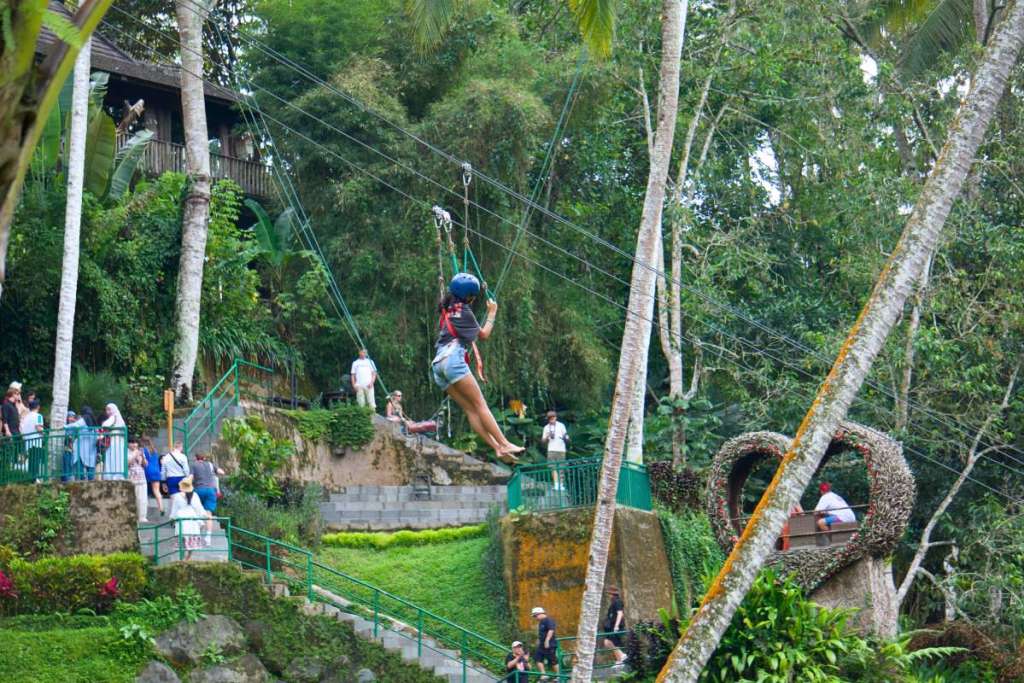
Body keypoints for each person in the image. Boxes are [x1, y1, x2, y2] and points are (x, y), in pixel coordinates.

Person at [432, 273, 524, 464]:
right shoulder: (464, 311)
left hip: (438, 365)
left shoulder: (446, 308)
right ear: (469, 297)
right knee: (480, 405)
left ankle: (498, 448)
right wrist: (492, 313)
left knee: (470, 409)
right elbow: (483, 335)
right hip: (452, 359)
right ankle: (504, 443)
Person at [169, 476, 210, 561]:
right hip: (192, 520)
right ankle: (188, 557)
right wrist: (205, 516)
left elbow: (174, 510)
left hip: (181, 520)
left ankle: (183, 558)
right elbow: (199, 508)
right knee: (192, 540)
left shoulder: (177, 496)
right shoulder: (194, 495)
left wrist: (172, 519)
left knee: (182, 539)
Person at [192, 453, 226, 544]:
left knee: (196, 511)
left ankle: (198, 532)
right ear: (204, 458)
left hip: (199, 490)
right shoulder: (210, 464)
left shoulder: (194, 465)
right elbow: (221, 472)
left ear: (196, 458)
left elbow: (190, 477)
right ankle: (208, 537)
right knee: (208, 513)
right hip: (211, 490)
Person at [541, 411, 569, 490]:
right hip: (551, 449)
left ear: (556, 417)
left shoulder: (561, 425)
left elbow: (566, 436)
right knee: (553, 467)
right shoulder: (546, 427)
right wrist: (547, 436)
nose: (551, 420)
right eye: (549, 418)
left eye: (552, 418)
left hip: (561, 449)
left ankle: (561, 484)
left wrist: (566, 438)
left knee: (561, 467)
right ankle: (556, 484)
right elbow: (543, 441)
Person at [19, 397, 45, 480]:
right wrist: (45, 433)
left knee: (31, 461)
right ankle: (35, 478)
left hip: (28, 442)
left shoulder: (26, 417)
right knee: (36, 461)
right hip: (36, 442)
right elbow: (39, 428)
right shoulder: (39, 416)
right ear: (38, 407)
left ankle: (31, 478)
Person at [602, 586, 628, 666]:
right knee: (608, 642)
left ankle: (622, 656)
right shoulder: (614, 602)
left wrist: (616, 626)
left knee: (609, 642)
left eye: (609, 594)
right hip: (611, 627)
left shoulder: (617, 602)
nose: (608, 596)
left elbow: (620, 613)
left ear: (612, 594)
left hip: (615, 627)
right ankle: (620, 659)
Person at [101, 403, 127, 480]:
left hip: (114, 440)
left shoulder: (113, 417)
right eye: (106, 410)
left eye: (109, 409)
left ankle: (111, 475)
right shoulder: (119, 418)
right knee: (118, 457)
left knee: (112, 456)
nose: (107, 412)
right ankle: (118, 474)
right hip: (119, 440)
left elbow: (105, 424)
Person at [531, 606, 558, 679]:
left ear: (540, 613)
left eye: (535, 616)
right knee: (537, 658)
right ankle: (544, 675)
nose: (535, 618)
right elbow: (541, 634)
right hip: (542, 646)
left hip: (550, 645)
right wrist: (538, 642)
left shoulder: (548, 620)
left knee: (552, 660)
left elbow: (551, 630)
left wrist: (547, 640)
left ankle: (558, 676)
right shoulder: (541, 622)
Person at [142, 437, 165, 517]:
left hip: (148, 471)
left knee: (145, 491)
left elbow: (144, 462)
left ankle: (145, 509)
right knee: (156, 491)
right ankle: (161, 508)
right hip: (156, 471)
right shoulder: (154, 450)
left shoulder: (143, 450)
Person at [127, 439, 149, 523]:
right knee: (133, 499)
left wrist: (142, 457)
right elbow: (127, 463)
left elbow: (145, 464)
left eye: (135, 443)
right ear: (128, 444)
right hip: (131, 479)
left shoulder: (140, 452)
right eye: (132, 443)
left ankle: (142, 516)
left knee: (142, 499)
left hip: (142, 478)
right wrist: (134, 455)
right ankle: (133, 517)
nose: (134, 445)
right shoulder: (126, 452)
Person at [75, 406, 99, 481]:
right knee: (91, 466)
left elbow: (75, 425)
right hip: (91, 448)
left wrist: (64, 427)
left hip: (82, 447)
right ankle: (91, 483)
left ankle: (82, 481)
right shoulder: (94, 422)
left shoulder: (83, 419)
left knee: (80, 464)